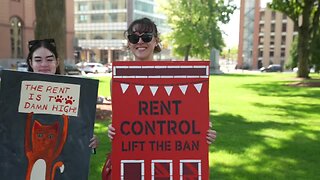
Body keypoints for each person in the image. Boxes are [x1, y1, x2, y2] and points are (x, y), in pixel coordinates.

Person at [108, 17, 217, 143]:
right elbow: (121, 119)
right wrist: (112, 130)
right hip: (135, 152)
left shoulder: (174, 78)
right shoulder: (118, 81)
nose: (140, 41)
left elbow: (183, 120)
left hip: (166, 152)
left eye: (146, 37)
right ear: (129, 43)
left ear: (156, 40)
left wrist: (202, 132)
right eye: (134, 38)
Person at [26, 38, 99, 149]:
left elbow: (79, 130)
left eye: (50, 59)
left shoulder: (73, 92)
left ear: (57, 62)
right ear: (31, 63)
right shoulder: (16, 94)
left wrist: (90, 141)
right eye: (38, 60)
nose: (44, 64)